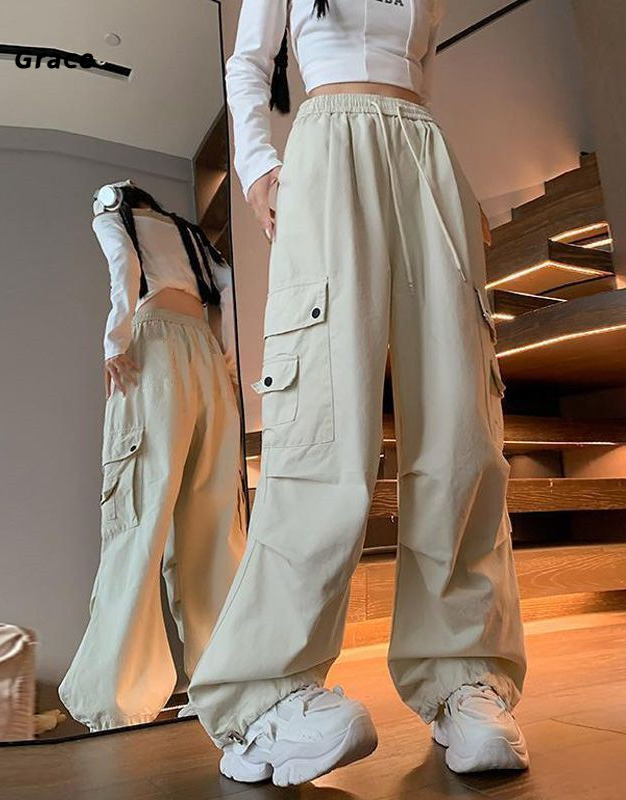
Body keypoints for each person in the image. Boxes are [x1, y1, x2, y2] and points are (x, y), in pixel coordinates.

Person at [189, 0, 528, 784]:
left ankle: (462, 674)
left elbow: (424, 76)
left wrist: (452, 185)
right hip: (327, 146)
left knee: (462, 430)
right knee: (323, 423)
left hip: (425, 153)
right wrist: (258, 167)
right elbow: (248, 61)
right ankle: (264, 695)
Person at [59, 181, 246, 731]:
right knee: (215, 527)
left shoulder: (112, 211)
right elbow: (230, 288)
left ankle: (116, 697)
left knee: (136, 519)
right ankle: (224, 683)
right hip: (207, 358)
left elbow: (125, 268)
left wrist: (115, 343)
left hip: (155, 350)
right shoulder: (191, 235)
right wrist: (228, 361)